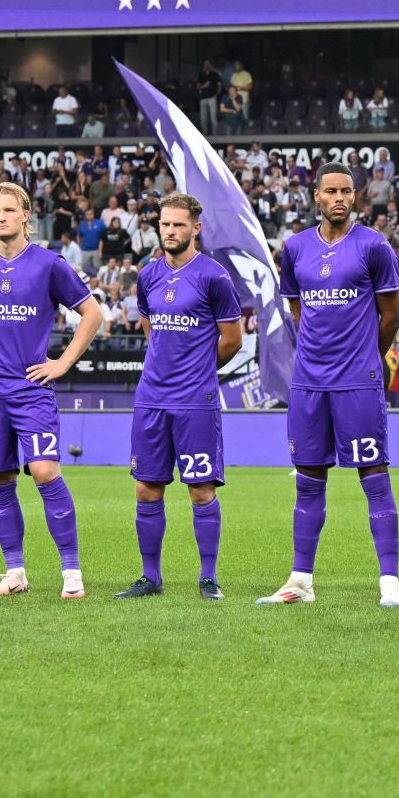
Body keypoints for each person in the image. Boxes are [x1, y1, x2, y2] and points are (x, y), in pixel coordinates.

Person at [258, 163, 399, 607]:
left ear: (355, 197)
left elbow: (392, 314)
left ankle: (389, 584)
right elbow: (298, 311)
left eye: (346, 191)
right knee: (308, 480)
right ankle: (300, 581)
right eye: (330, 191)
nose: (339, 198)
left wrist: (366, 357)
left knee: (373, 477)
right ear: (316, 197)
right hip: (308, 383)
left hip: (357, 382)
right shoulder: (296, 248)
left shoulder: (374, 247)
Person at [0, 182, 103, 598]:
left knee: (44, 472)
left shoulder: (48, 264)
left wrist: (62, 363)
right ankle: (14, 572)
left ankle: (72, 572)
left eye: (7, 210)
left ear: (24, 217)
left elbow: (92, 312)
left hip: (31, 390)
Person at [116, 192, 242, 600]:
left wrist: (197, 369)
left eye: (178, 225)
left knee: (200, 489)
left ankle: (208, 578)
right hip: (151, 398)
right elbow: (151, 331)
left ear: (196, 228)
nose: (170, 231)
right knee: (146, 488)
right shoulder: (148, 276)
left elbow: (232, 341)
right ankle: (150, 577)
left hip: (195, 401)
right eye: (165, 224)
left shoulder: (214, 277)